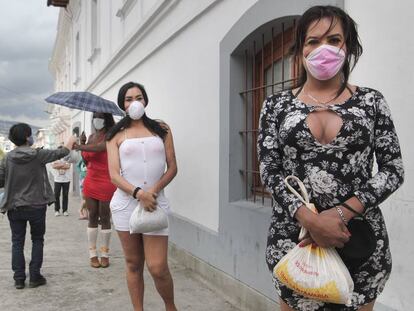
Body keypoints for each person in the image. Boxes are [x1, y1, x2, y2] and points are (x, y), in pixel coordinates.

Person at [257, 6, 404, 311]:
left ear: (347, 46)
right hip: (295, 240)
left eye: (334, 39)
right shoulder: (276, 105)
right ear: (300, 50)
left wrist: (340, 214)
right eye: (313, 41)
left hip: (358, 238)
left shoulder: (372, 101)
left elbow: (392, 169)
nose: (323, 48)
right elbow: (269, 169)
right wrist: (309, 219)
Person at [106, 82, 178, 311]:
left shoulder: (161, 128)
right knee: (134, 264)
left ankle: (170, 306)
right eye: (128, 99)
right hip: (125, 204)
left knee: (158, 267)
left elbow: (173, 166)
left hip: (154, 204)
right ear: (122, 104)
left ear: (145, 100)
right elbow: (114, 175)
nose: (134, 102)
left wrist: (152, 192)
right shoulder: (115, 134)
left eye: (139, 97)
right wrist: (138, 193)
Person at [0, 123, 76, 289]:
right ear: (28, 137)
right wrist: (71, 140)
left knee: (17, 242)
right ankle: (35, 276)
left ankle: (19, 279)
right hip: (36, 206)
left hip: (15, 207)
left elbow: (0, 180)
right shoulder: (38, 154)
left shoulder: (7, 158)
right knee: (37, 240)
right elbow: (61, 152)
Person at [73, 113, 116, 268]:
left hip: (107, 181)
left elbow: (101, 147)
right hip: (91, 180)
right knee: (92, 217)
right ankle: (93, 254)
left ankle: (105, 253)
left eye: (100, 117)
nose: (97, 120)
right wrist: (83, 144)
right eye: (95, 117)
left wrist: (79, 146)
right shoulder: (90, 137)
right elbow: (86, 160)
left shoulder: (111, 135)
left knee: (105, 217)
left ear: (106, 119)